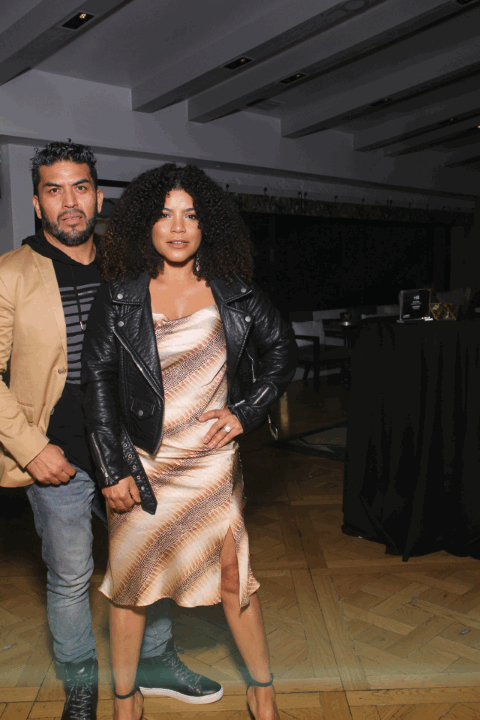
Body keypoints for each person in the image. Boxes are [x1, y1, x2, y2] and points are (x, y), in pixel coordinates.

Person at [0, 143, 223, 720]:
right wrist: (30, 449)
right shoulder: (10, 274)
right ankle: (80, 683)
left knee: (153, 560)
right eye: (54, 190)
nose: (69, 202)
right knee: (70, 577)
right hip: (58, 459)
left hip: (134, 449)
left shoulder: (132, 265)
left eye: (80, 188)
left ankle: (156, 664)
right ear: (37, 203)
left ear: (99, 198)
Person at [82, 163, 297, 720]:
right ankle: (125, 702)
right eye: (165, 215)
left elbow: (281, 351)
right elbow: (97, 381)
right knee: (131, 584)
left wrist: (246, 412)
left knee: (233, 578)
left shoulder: (235, 290)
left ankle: (263, 692)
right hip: (143, 463)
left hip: (211, 463)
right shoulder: (119, 296)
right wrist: (111, 469)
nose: (178, 227)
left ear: (208, 225)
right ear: (145, 224)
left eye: (191, 216)